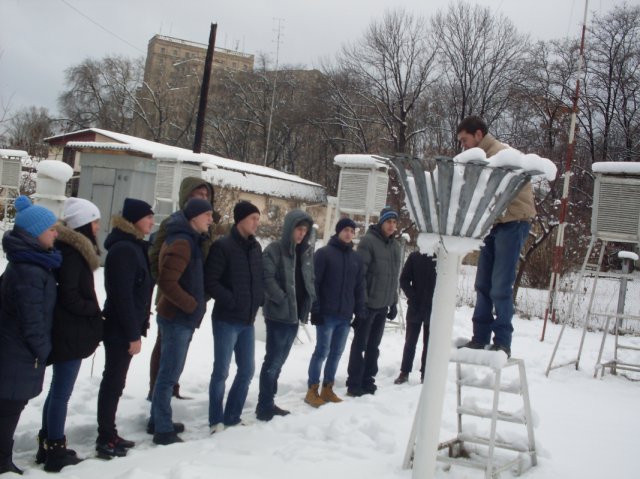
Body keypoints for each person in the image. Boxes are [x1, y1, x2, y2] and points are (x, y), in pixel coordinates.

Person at [457, 115, 536, 357]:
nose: (463, 145)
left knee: (500, 286)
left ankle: (502, 341)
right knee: (482, 284)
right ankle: (479, 337)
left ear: (478, 134)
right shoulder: (478, 158)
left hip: (513, 222)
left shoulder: (502, 155)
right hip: (492, 224)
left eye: (465, 139)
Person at [38, 198, 103, 472]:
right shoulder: (73, 254)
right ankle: (55, 448)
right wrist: (94, 309)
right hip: (70, 332)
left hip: (69, 331)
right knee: (61, 393)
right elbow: (70, 295)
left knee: (57, 392)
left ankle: (47, 443)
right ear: (85, 225)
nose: (99, 227)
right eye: (95, 222)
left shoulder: (69, 251)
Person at [0, 196, 60, 475]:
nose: (56, 234)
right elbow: (32, 320)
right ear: (36, 233)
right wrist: (43, 350)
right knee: (9, 408)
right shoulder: (30, 271)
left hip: (16, 351)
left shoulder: (30, 264)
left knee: (9, 406)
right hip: (17, 353)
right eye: (51, 230)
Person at [148, 198, 213, 445]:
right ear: (194, 217)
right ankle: (163, 430)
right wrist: (191, 305)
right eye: (207, 215)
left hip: (178, 318)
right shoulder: (183, 242)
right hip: (176, 318)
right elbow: (166, 282)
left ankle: (158, 420)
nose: (210, 219)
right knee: (168, 375)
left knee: (168, 372)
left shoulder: (188, 239)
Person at [96, 198, 154, 458]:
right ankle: (105, 437)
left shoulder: (134, 246)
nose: (152, 221)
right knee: (113, 382)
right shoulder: (124, 250)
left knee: (116, 383)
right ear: (133, 220)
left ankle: (110, 432)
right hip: (120, 329)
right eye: (147, 216)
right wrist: (133, 333)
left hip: (127, 326)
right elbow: (122, 297)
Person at [205, 201, 263, 432]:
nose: (257, 223)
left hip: (247, 321)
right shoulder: (223, 247)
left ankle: (232, 415)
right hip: (226, 320)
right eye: (253, 219)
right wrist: (232, 300)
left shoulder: (255, 247)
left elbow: (259, 278)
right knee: (221, 371)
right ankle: (215, 419)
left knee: (247, 370)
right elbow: (210, 282)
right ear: (240, 220)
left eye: (258, 219)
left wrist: (261, 297)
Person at [256, 209, 315, 421]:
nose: (301, 234)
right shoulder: (274, 250)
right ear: (290, 228)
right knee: (272, 362)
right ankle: (264, 406)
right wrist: (281, 298)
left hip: (295, 316)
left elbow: (308, 280)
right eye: (298, 229)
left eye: (305, 230)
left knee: (279, 363)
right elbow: (267, 277)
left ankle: (269, 402)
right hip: (278, 316)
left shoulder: (306, 253)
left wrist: (309, 302)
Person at [304, 217, 365, 408]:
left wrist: (359, 311)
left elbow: (359, 287)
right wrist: (315, 309)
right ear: (338, 231)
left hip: (345, 315)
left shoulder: (356, 259)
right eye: (345, 230)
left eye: (352, 231)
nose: (349, 233)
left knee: (337, 353)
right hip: (326, 313)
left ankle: (327, 388)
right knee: (322, 351)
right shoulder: (324, 254)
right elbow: (315, 283)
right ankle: (312, 389)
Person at [346, 206, 401, 397]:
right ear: (381, 222)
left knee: (373, 346)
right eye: (388, 222)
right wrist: (361, 302)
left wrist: (393, 302)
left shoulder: (395, 246)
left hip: (383, 305)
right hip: (368, 305)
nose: (392, 226)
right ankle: (354, 382)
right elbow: (359, 275)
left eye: (394, 222)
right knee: (360, 345)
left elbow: (394, 277)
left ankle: (368, 380)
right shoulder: (368, 242)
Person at [393, 251, 437, 385]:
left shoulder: (441, 257)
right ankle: (404, 372)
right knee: (410, 342)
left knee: (429, 343)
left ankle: (425, 373)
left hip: (434, 307)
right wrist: (412, 296)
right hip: (415, 306)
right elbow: (404, 279)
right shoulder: (415, 256)